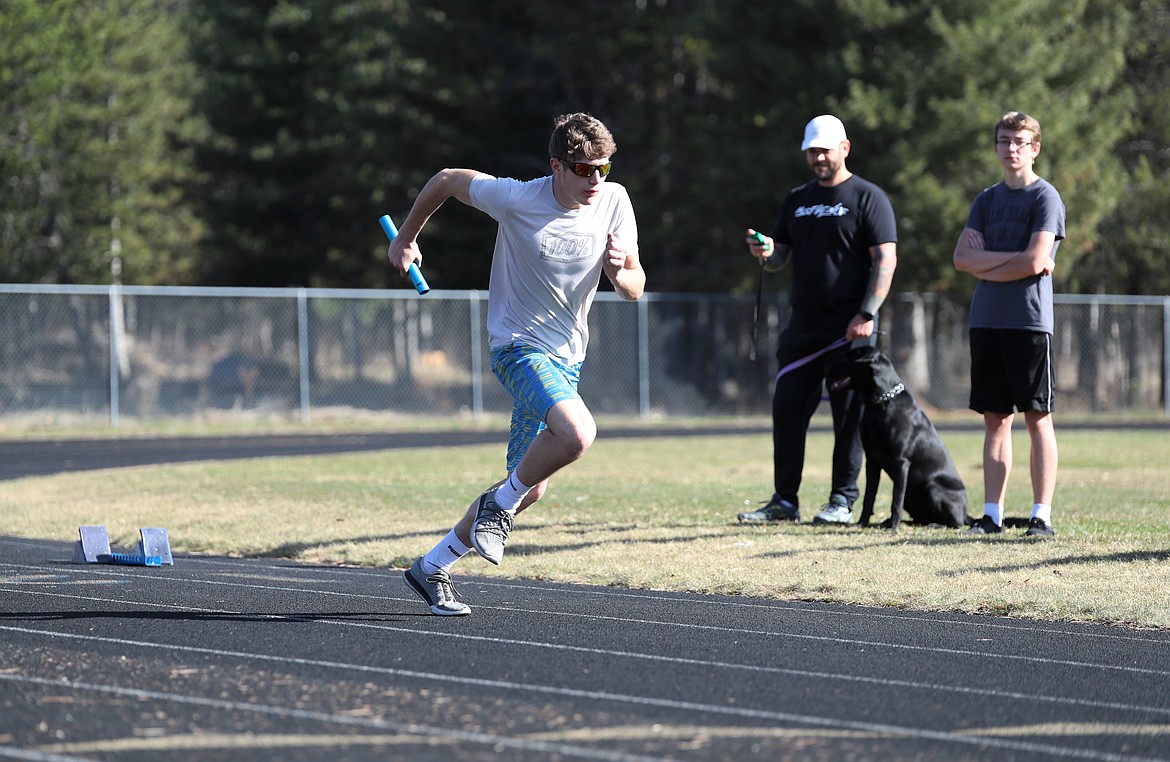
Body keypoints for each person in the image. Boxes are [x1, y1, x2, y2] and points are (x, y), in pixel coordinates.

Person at [387, 113, 646, 615]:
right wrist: (405, 237)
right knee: (577, 434)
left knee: (528, 487)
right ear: (556, 166)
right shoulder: (517, 198)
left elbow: (635, 286)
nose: (596, 179)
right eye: (583, 168)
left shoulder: (615, 201)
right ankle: (496, 510)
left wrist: (620, 274)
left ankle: (431, 567)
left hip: (568, 358)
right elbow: (446, 180)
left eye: (604, 168)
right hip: (517, 348)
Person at [737, 114, 898, 526]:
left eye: (825, 150)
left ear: (845, 148)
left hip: (850, 330)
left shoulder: (869, 197)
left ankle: (842, 500)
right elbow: (779, 258)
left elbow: (885, 260)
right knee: (787, 411)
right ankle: (784, 502)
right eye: (812, 151)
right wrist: (766, 253)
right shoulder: (797, 198)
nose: (818, 158)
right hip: (802, 330)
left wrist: (867, 313)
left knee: (848, 418)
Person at [953, 111, 1065, 538]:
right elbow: (962, 260)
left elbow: (1036, 260)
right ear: (996, 146)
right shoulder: (985, 200)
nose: (1011, 148)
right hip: (987, 322)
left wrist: (993, 263)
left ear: (1034, 147)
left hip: (1029, 323)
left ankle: (1041, 515)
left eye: (1019, 141)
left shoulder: (1045, 199)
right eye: (1004, 141)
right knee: (996, 420)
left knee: (1038, 417)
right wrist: (1015, 262)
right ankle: (992, 516)